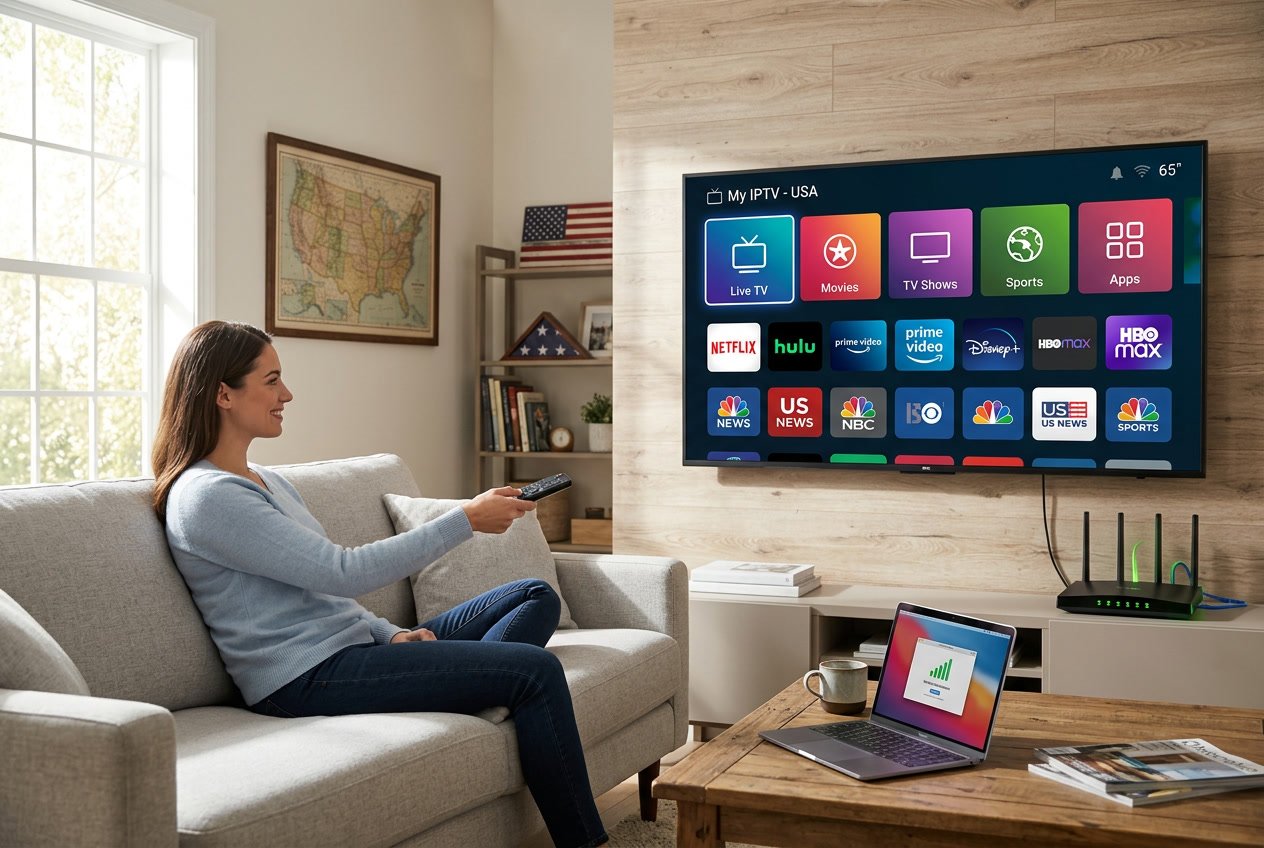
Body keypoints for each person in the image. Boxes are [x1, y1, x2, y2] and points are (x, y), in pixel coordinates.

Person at [151, 320, 608, 848]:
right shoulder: (208, 497)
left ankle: (464, 683)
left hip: (351, 649)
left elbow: (327, 591)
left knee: (534, 594)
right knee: (535, 672)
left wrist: (389, 634)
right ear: (222, 394)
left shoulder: (266, 480)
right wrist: (465, 518)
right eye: (272, 380)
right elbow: (344, 570)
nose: (287, 394)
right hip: (304, 676)